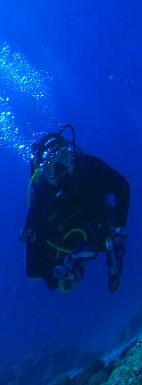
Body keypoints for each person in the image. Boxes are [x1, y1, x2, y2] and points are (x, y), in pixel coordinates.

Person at [23, 126, 130, 293]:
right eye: (51, 168)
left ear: (71, 156)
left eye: (63, 158)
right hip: (67, 252)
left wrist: (119, 232)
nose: (61, 171)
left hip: (100, 231)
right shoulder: (41, 200)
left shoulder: (89, 168)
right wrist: (56, 277)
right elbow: (32, 268)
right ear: (45, 175)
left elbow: (122, 187)